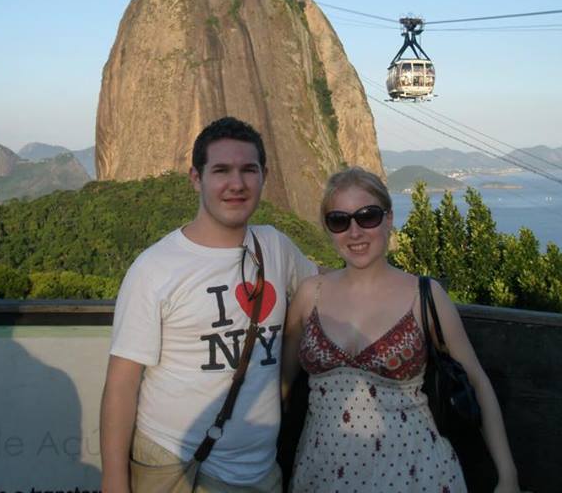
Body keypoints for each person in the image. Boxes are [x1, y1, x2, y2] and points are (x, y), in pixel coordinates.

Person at [100, 117, 318, 493]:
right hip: (176, 465)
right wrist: (114, 482)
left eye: (248, 170)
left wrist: (407, 288)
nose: (237, 184)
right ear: (196, 178)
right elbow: (121, 384)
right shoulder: (155, 268)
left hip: (260, 471)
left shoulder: (276, 248)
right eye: (221, 170)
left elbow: (330, 285)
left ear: (264, 176)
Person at [281, 167, 521, 493]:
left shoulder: (425, 296)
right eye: (340, 220)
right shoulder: (310, 295)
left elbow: (477, 380)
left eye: (367, 216)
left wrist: (507, 475)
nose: (355, 231)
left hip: (416, 474)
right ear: (329, 229)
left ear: (389, 218)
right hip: (321, 475)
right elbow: (281, 386)